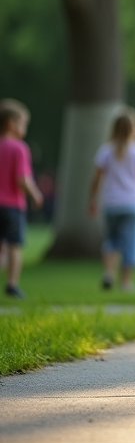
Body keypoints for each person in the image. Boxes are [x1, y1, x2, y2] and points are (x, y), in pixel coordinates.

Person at [87, 108, 135, 291]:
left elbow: (96, 178)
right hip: (133, 203)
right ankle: (126, 281)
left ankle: (108, 272)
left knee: (111, 241)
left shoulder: (105, 151)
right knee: (131, 242)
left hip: (111, 203)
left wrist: (92, 200)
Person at [0, 100, 43, 299]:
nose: (24, 128)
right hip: (12, 205)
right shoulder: (19, 148)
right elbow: (22, 179)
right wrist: (35, 193)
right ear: (11, 124)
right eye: (22, 124)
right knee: (14, 245)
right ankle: (12, 284)